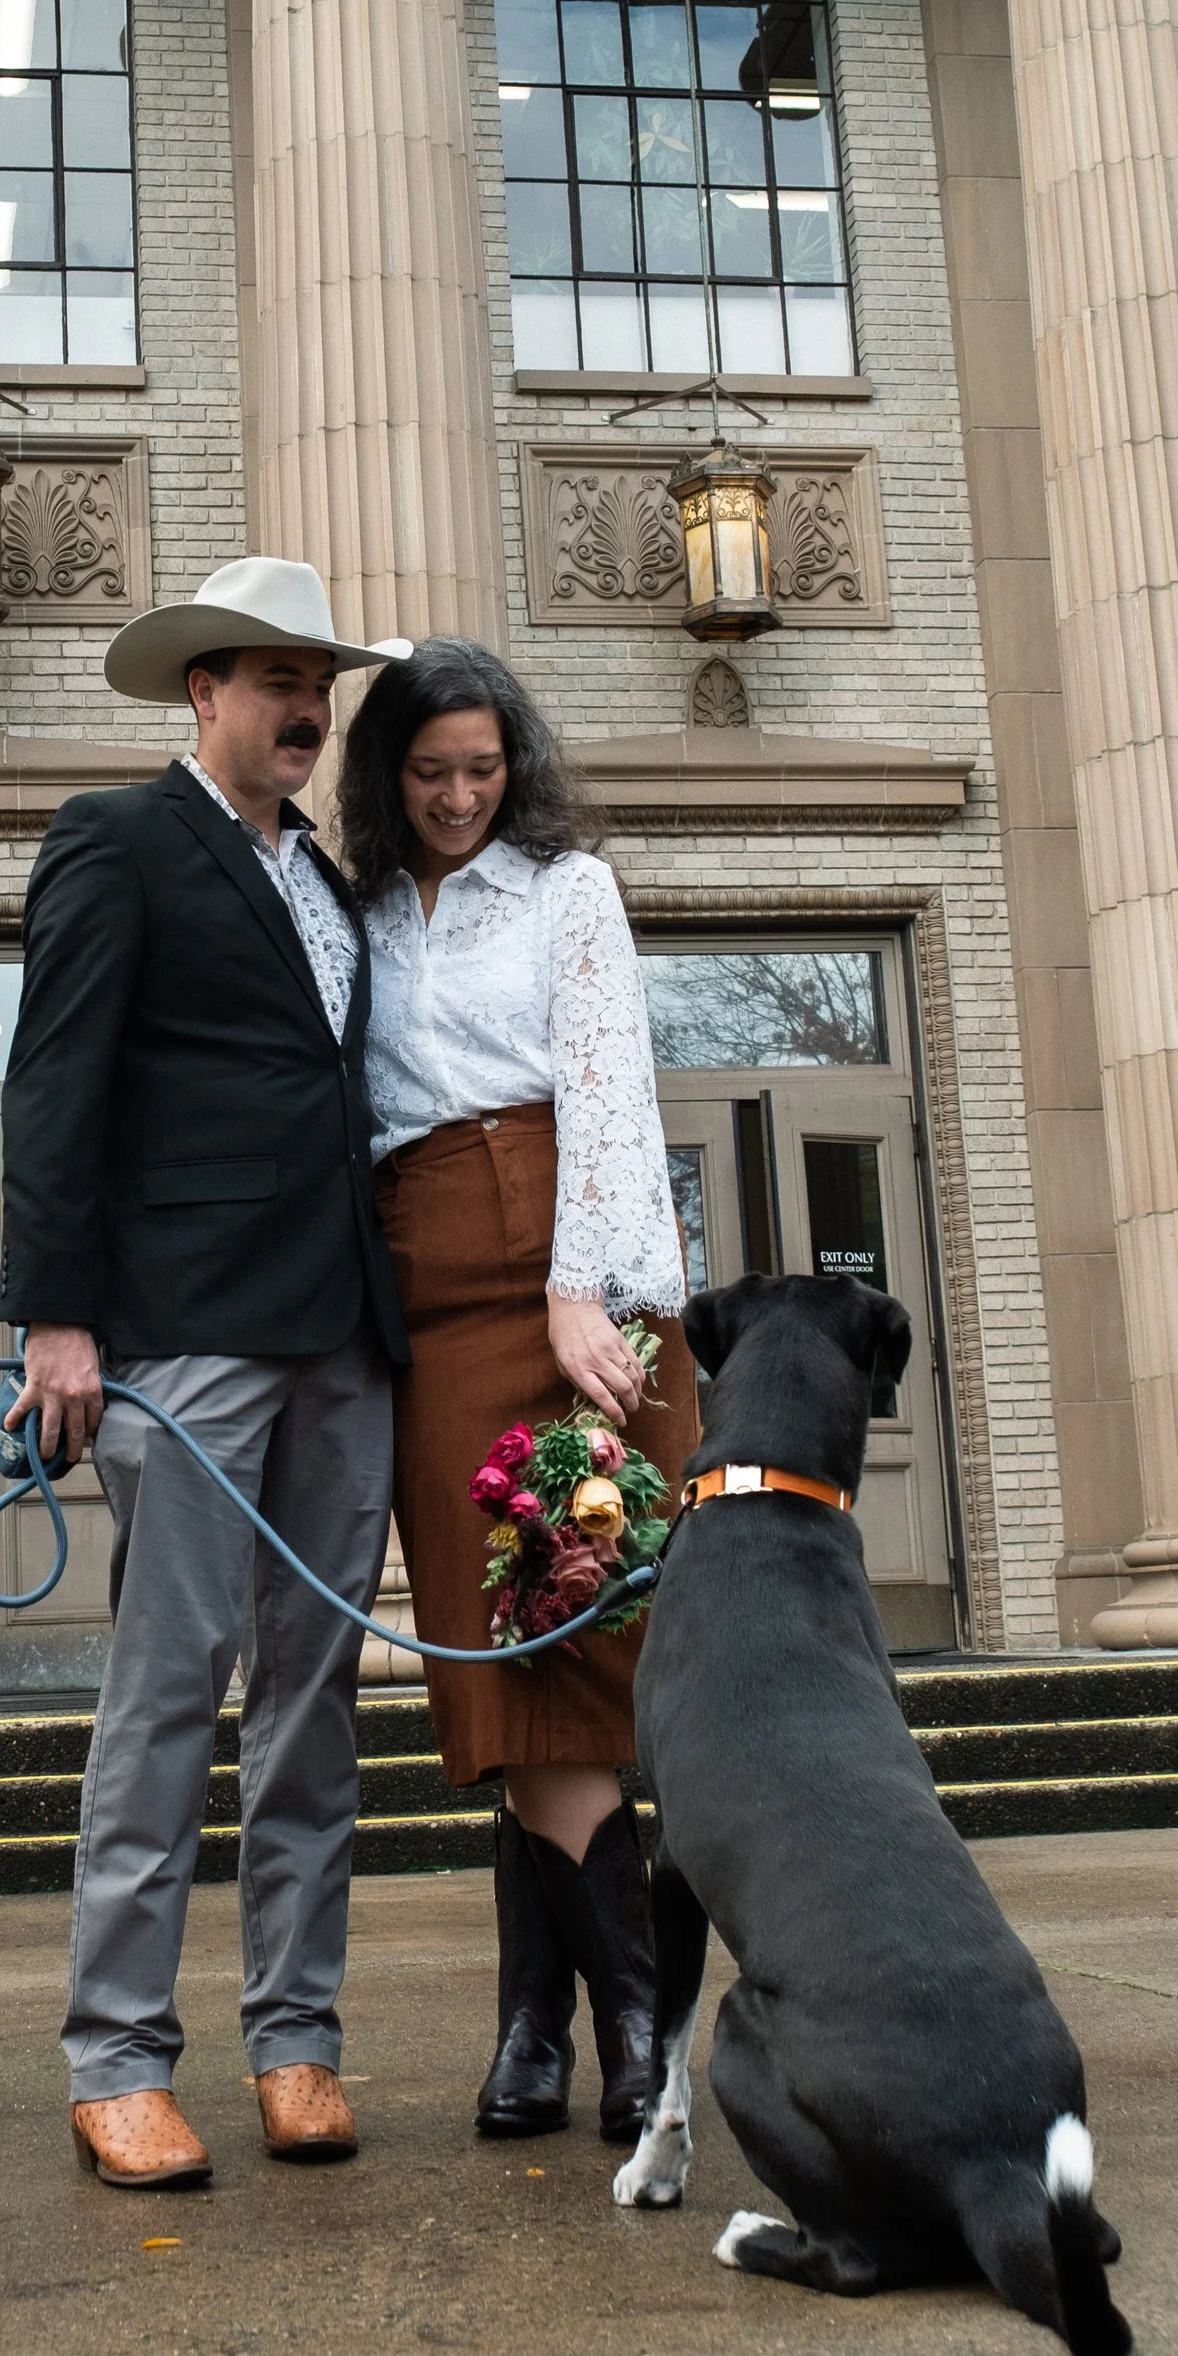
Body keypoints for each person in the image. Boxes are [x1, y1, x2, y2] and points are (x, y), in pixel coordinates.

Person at [0, 554, 414, 2193]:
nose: (306, 706)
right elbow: (56, 1086)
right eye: (272, 677)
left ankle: (297, 2039)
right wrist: (58, 1320)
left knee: (315, 1702)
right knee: (170, 1689)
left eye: (320, 682)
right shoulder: (115, 842)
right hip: (186, 1335)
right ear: (203, 693)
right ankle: (115, 2056)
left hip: (343, 1338)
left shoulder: (326, 876)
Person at [338, 640, 699, 2147]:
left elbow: (609, 1083)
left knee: (571, 1671)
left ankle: (627, 2033)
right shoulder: (352, 912)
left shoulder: (568, 892)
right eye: (432, 772)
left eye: (485, 769)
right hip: (425, 1294)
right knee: (501, 1673)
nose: (461, 796)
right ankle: (535, 2036)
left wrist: (580, 1293)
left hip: (573, 1271)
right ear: (388, 774)